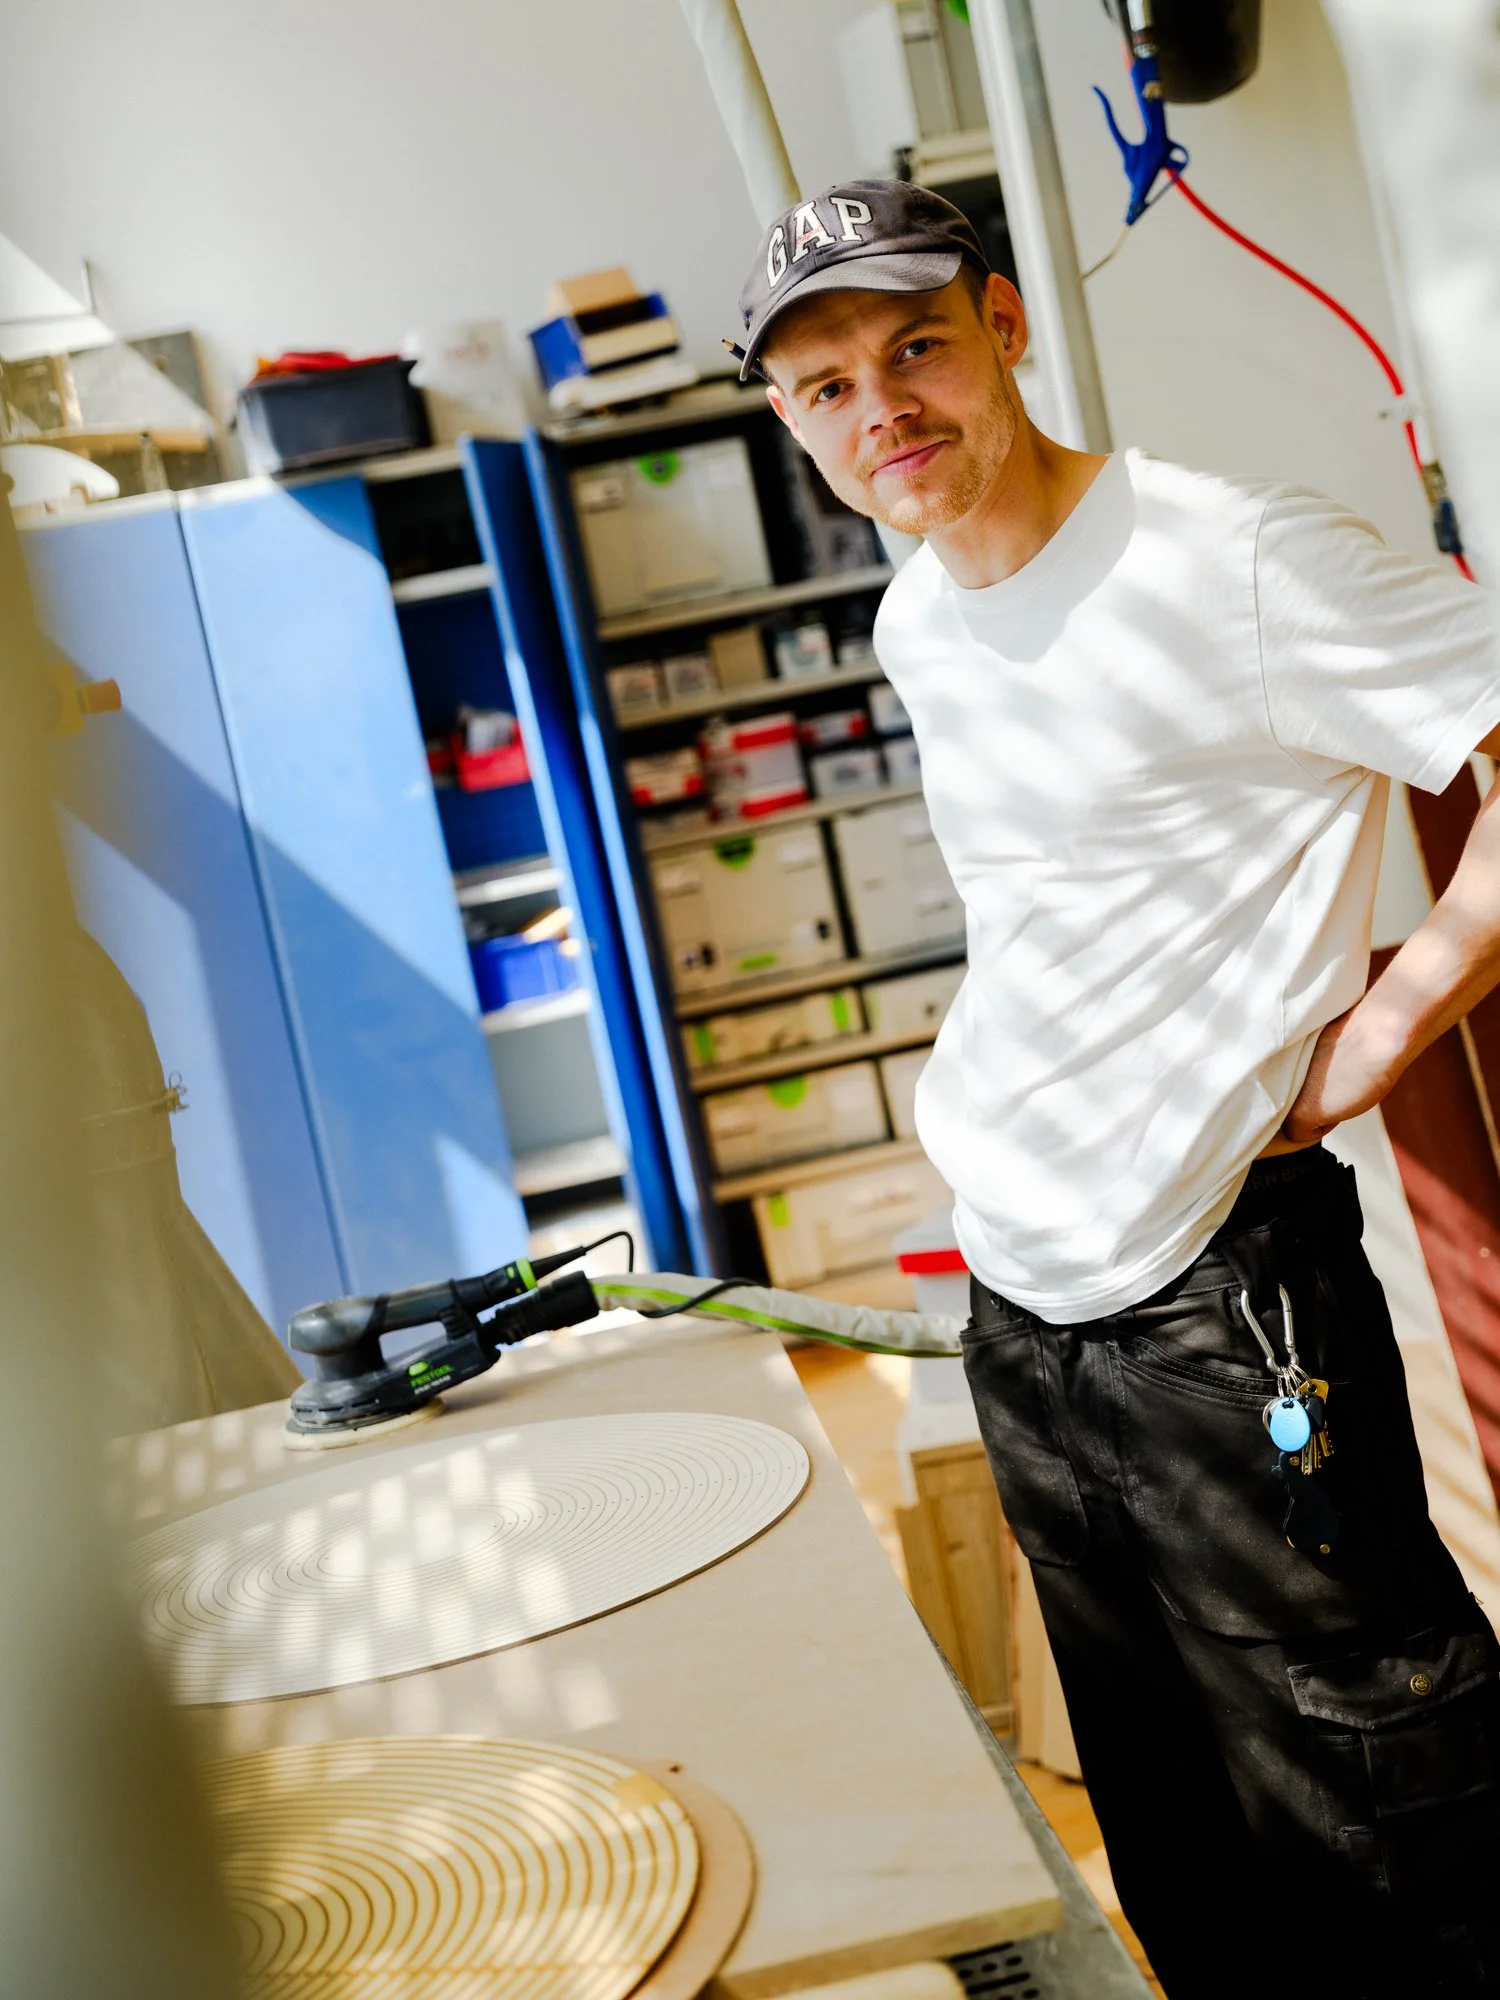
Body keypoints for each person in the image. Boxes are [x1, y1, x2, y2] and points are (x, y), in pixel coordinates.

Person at [733, 179, 1500, 1999]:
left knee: (1387, 1838)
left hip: (1222, 1303)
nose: (881, 410)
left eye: (916, 348)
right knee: (1182, 1852)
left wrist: (1389, 1025)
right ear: (791, 422)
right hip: (1027, 1313)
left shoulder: (1233, 558)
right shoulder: (920, 618)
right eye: (827, 388)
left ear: (1003, 324)